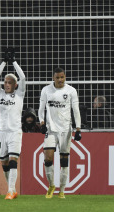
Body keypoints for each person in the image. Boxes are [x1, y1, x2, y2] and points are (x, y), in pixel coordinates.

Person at [38, 67, 82, 199]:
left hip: (65, 129)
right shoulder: (46, 90)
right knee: (47, 158)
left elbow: (76, 110)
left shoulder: (71, 91)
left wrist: (78, 129)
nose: (60, 80)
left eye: (62, 77)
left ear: (65, 77)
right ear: (53, 78)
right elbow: (41, 109)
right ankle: (51, 185)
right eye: (57, 77)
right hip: (51, 129)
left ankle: (62, 190)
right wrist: (41, 122)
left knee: (64, 160)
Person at [0, 48, 25, 200]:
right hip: (2, 133)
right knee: (4, 163)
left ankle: (11, 190)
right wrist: (4, 63)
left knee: (13, 160)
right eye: (5, 82)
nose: (6, 84)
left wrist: (14, 62)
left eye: (10, 82)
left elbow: (23, 77)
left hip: (15, 133)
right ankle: (10, 189)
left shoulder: (19, 94)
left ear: (15, 85)